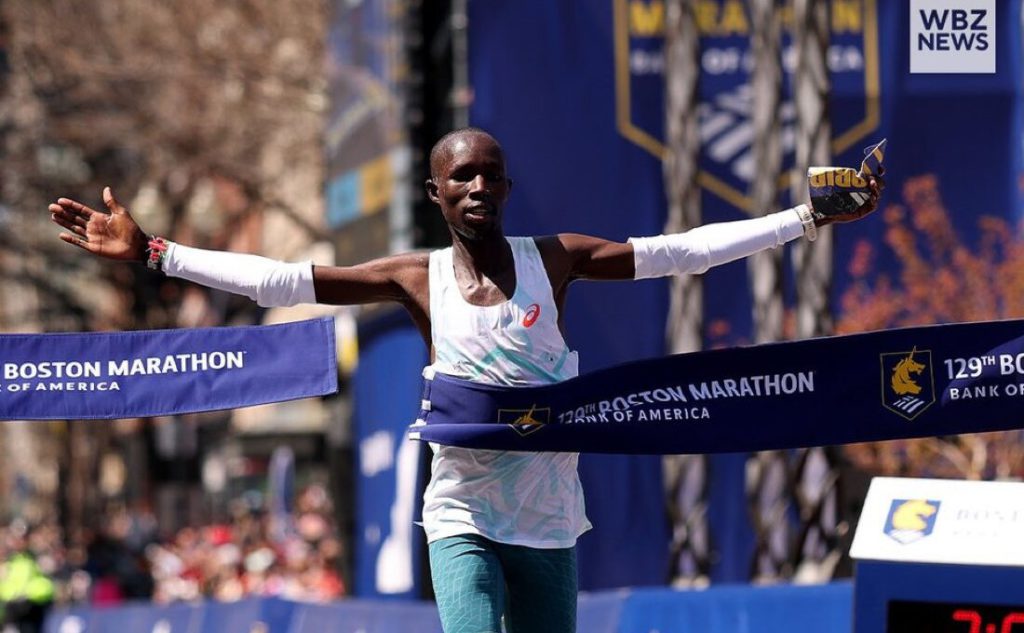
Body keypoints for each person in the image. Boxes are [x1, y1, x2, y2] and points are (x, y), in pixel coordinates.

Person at [49, 127, 882, 632]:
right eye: (462, 176)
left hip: (549, 516)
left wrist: (807, 218)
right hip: (463, 513)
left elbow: (683, 251)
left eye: (490, 173)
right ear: (436, 193)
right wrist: (156, 251)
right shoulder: (415, 279)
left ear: (508, 187)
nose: (478, 185)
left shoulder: (554, 262)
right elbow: (283, 282)